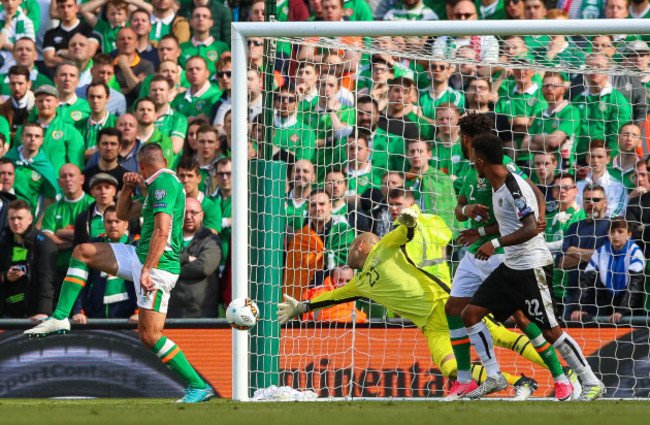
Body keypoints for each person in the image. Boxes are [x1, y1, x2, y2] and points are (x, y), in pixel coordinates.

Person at [278, 208, 544, 400]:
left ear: (361, 246)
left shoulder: (384, 247)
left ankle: (566, 374)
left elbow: (402, 234)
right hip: (431, 327)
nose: (347, 250)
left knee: (505, 338)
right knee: (452, 369)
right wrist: (301, 307)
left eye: (350, 246)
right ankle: (520, 381)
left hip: (446, 307)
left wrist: (409, 224)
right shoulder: (358, 283)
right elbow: (332, 297)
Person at [24, 143, 215, 403]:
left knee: (150, 335)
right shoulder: (155, 187)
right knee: (83, 251)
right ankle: (60, 317)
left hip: (158, 266)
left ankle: (198, 385)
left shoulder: (164, 184)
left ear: (142, 165)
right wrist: (126, 188)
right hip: (139, 256)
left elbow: (162, 231)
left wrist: (147, 269)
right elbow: (124, 213)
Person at [460, 134, 605, 401]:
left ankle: (590, 380)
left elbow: (529, 227)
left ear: (480, 161)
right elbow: (513, 219)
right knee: (470, 314)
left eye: (472, 158)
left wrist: (494, 243)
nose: (470, 162)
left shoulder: (512, 186)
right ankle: (494, 376)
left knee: (551, 330)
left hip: (532, 266)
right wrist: (479, 231)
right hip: (511, 266)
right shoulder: (497, 185)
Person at [446, 114, 553, 400]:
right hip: (475, 248)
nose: (458, 142)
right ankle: (467, 379)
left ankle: (561, 373)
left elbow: (534, 193)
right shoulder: (467, 172)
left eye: (460, 137)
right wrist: (467, 212)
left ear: (467, 139)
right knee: (454, 309)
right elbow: (459, 208)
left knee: (521, 317)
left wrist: (539, 219)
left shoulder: (504, 167)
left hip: (501, 250)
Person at [284, 189, 355, 300]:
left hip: (335, 297)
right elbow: (293, 273)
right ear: (307, 208)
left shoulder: (343, 231)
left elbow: (349, 261)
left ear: (330, 206)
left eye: (322, 204)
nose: (317, 209)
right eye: (313, 205)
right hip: (306, 297)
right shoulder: (300, 236)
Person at [71, 205, 138, 322]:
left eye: (117, 221)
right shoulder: (93, 245)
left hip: (130, 319)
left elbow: (146, 282)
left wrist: (140, 312)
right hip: (96, 317)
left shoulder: (137, 246)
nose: (113, 225)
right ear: (103, 224)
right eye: (109, 222)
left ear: (126, 224)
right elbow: (81, 280)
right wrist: (78, 311)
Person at [572, 217, 646, 323]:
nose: (615, 235)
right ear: (608, 233)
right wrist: (577, 308)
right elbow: (585, 283)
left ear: (629, 234)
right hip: (606, 305)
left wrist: (622, 311)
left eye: (620, 231)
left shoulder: (635, 253)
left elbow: (635, 287)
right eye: (612, 231)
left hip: (632, 311)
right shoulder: (600, 252)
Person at [0, 199, 58, 320]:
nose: (16, 222)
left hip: (33, 314)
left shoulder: (43, 244)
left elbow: (47, 280)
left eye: (20, 218)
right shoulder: (4, 242)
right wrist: (6, 276)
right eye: (12, 218)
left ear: (30, 219)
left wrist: (44, 312)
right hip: (6, 314)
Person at [41, 163, 94, 291]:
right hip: (59, 270)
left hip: (87, 269)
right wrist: (78, 241)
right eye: (64, 177)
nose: (68, 179)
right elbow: (47, 240)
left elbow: (92, 237)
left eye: (72, 175)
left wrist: (60, 232)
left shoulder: (92, 205)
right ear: (59, 182)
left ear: (82, 179)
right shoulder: (52, 209)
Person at [167, 197, 222, 318]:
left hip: (201, 314)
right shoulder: (167, 239)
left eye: (193, 212)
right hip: (170, 313)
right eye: (184, 212)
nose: (188, 216)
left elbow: (203, 267)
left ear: (202, 215)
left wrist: (168, 269)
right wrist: (186, 258)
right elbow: (159, 260)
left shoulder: (211, 240)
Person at [575, 139, 627, 217]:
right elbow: (576, 213)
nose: (595, 160)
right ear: (587, 159)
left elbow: (615, 215)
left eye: (600, 157)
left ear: (608, 159)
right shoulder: (578, 186)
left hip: (606, 228)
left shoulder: (618, 186)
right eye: (592, 157)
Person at [78, 82, 117, 161]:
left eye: (99, 97)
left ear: (107, 98)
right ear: (87, 98)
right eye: (92, 97)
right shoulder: (78, 125)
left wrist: (87, 153)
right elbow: (76, 153)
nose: (95, 101)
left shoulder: (117, 123)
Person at [82, 127, 127, 193]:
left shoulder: (125, 178)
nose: (109, 148)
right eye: (105, 143)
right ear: (98, 146)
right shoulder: (86, 175)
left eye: (113, 144)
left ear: (120, 147)